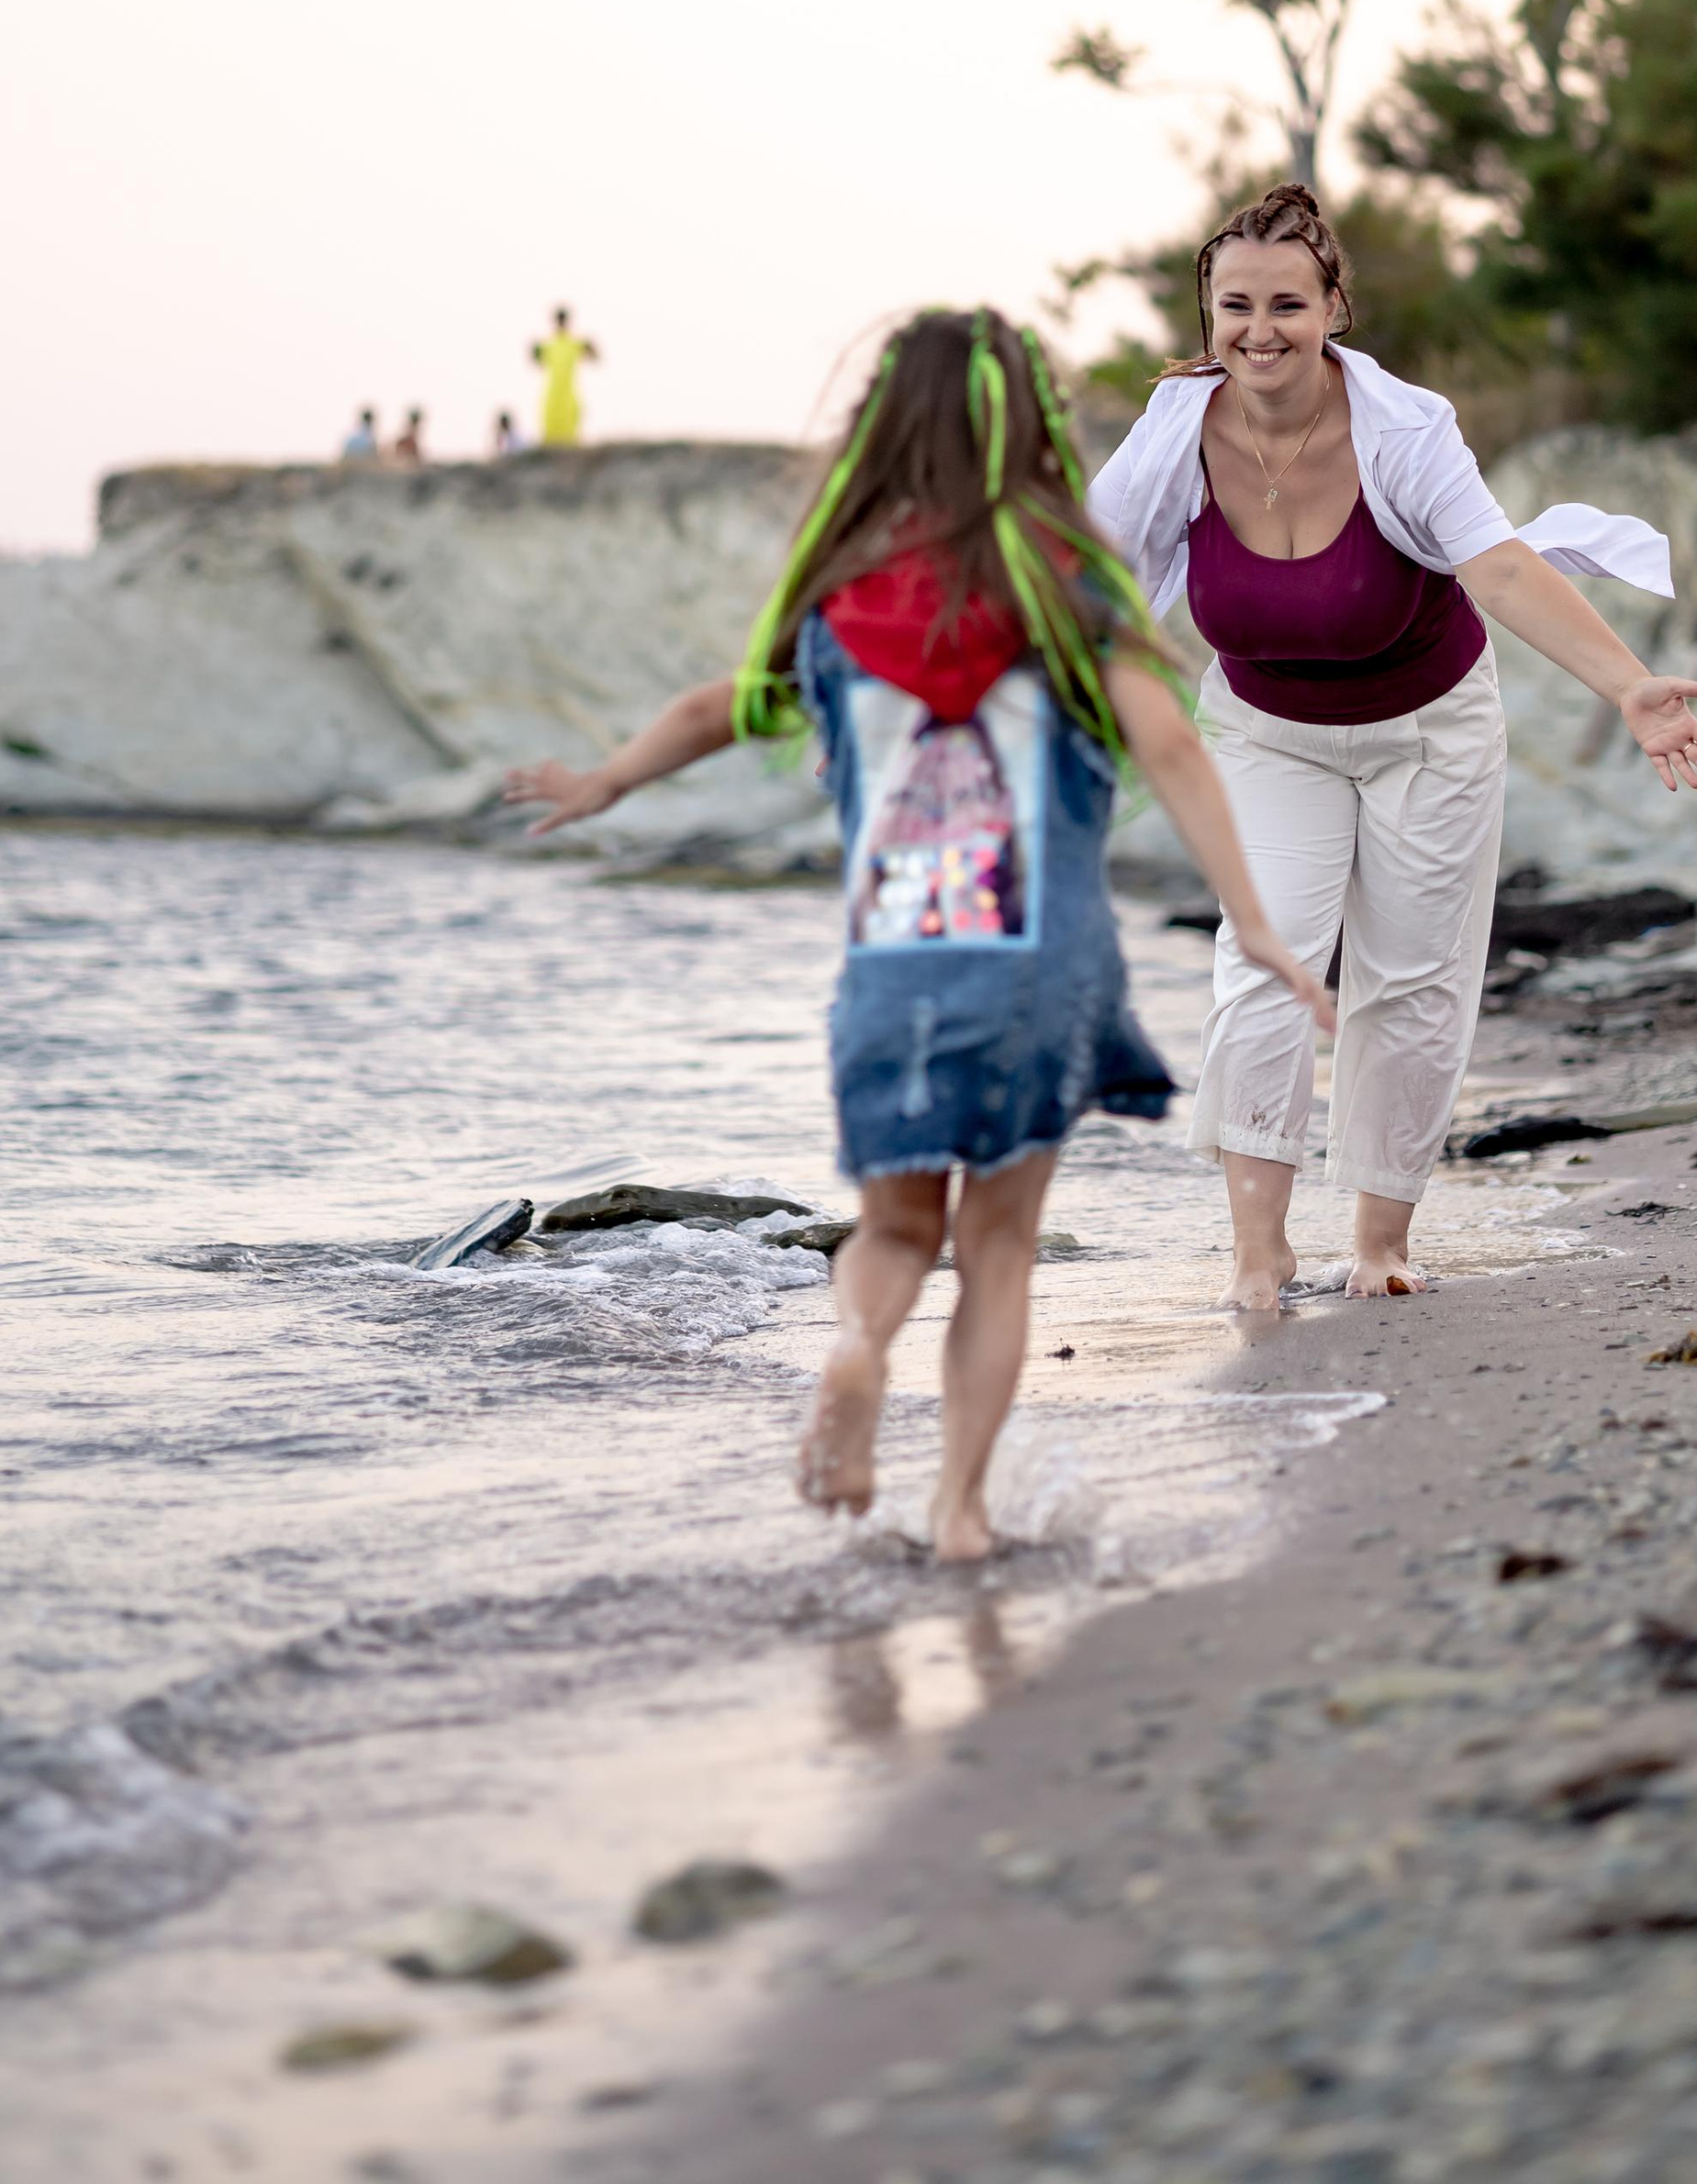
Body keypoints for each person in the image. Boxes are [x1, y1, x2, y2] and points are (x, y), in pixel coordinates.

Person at [502, 306, 1332, 1560]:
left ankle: (854, 1350)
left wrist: (605, 783)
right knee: (997, 1253)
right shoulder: (1068, 594)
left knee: (893, 1231)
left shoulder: (838, 608)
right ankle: (957, 1514)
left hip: (895, 973)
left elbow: (713, 706)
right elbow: (1168, 742)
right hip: (1041, 974)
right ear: (1032, 430)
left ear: (879, 434)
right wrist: (1256, 923)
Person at [1088, 182, 1697, 1314]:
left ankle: (1381, 1239)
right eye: (1233, 305)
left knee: (1412, 983)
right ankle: (1258, 1251)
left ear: (1334, 304)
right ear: (1205, 316)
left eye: (1287, 302)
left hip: (1427, 732)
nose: (1259, 329)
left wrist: (1632, 688)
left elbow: (1492, 568)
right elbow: (1089, 584)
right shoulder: (1172, 434)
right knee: (1267, 964)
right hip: (1265, 730)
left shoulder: (1403, 426)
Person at [531, 306, 598, 448]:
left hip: (569, 395)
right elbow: (536, 359)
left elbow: (595, 356)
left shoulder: (574, 343)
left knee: (571, 435)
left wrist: (591, 345)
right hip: (552, 396)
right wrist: (534, 349)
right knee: (550, 433)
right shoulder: (549, 344)